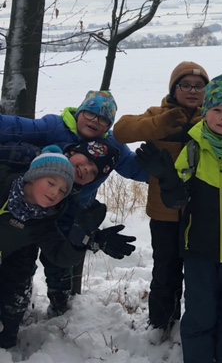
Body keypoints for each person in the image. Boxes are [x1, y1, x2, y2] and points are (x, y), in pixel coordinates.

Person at [135, 74, 222, 363]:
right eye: (216, 110)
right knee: (199, 312)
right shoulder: (193, 150)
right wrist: (167, 179)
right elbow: (176, 202)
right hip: (198, 251)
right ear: (205, 112)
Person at [0, 90, 148, 315]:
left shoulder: (111, 147)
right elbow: (16, 128)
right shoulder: (55, 127)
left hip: (71, 215)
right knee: (22, 257)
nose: (95, 121)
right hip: (34, 208)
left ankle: (60, 304)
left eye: (103, 119)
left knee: (60, 265)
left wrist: (163, 172)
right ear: (80, 112)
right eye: (90, 113)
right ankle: (17, 299)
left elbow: (134, 168)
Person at [0, 145, 136, 348]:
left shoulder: (43, 220)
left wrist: (83, 239)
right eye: (51, 183)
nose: (55, 192)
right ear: (33, 176)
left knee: (8, 328)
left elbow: (61, 254)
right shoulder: (5, 180)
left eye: (63, 191)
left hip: (14, 262)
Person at [113, 61, 209, 338]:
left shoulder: (213, 115)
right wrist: (159, 125)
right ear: (173, 89)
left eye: (199, 86)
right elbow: (121, 130)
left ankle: (195, 325)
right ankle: (160, 325)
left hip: (202, 211)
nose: (192, 91)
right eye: (185, 85)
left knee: (199, 273)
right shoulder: (158, 114)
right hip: (164, 211)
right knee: (165, 271)